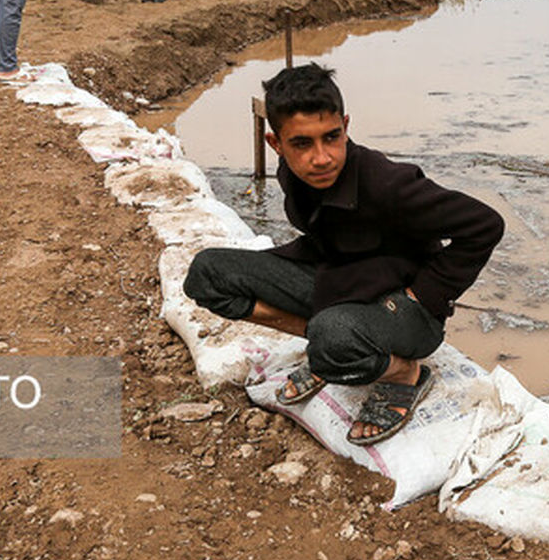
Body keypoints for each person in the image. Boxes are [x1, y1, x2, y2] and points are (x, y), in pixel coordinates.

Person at [184, 64, 505, 445]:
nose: (321, 158)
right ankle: (333, 347)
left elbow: (485, 225)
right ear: (276, 144)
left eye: (331, 137)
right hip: (342, 281)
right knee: (208, 274)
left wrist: (424, 296)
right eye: (302, 143)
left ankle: (404, 375)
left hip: (405, 307)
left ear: (346, 126)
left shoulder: (388, 184)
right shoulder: (293, 173)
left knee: (333, 337)